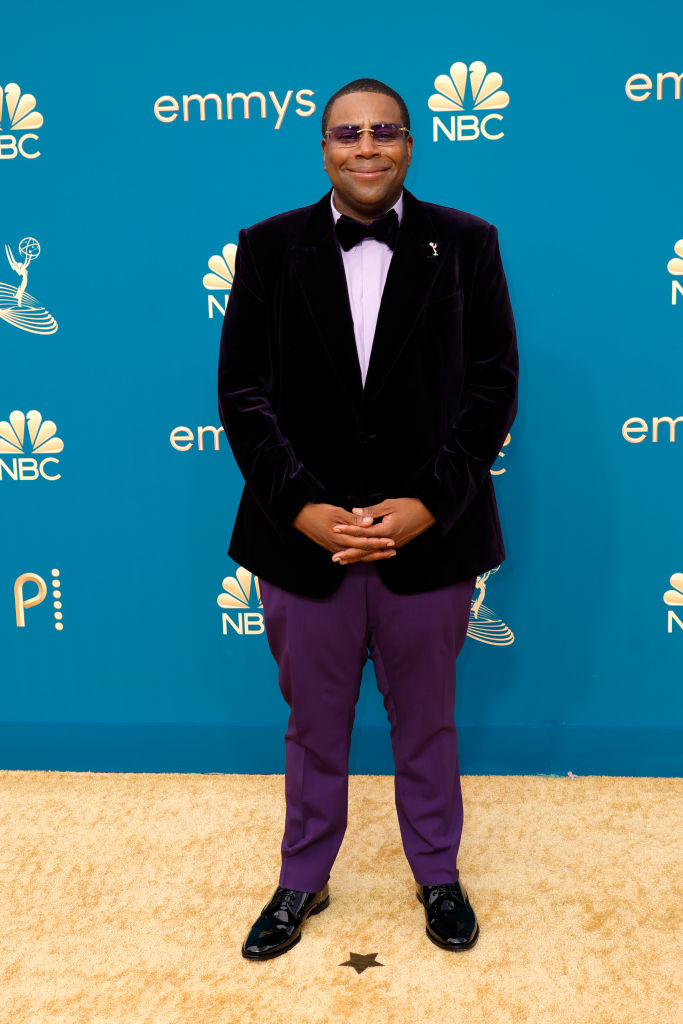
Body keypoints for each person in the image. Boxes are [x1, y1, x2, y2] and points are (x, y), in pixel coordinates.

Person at [217, 77, 518, 959]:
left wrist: (428, 504)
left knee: (427, 722)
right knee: (313, 728)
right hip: (301, 544)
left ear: (410, 143)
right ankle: (301, 879)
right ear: (323, 148)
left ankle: (437, 874)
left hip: (430, 541)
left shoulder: (468, 243)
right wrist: (300, 507)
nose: (366, 147)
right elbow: (242, 393)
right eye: (347, 133)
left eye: (384, 130)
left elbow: (492, 388)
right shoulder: (267, 247)